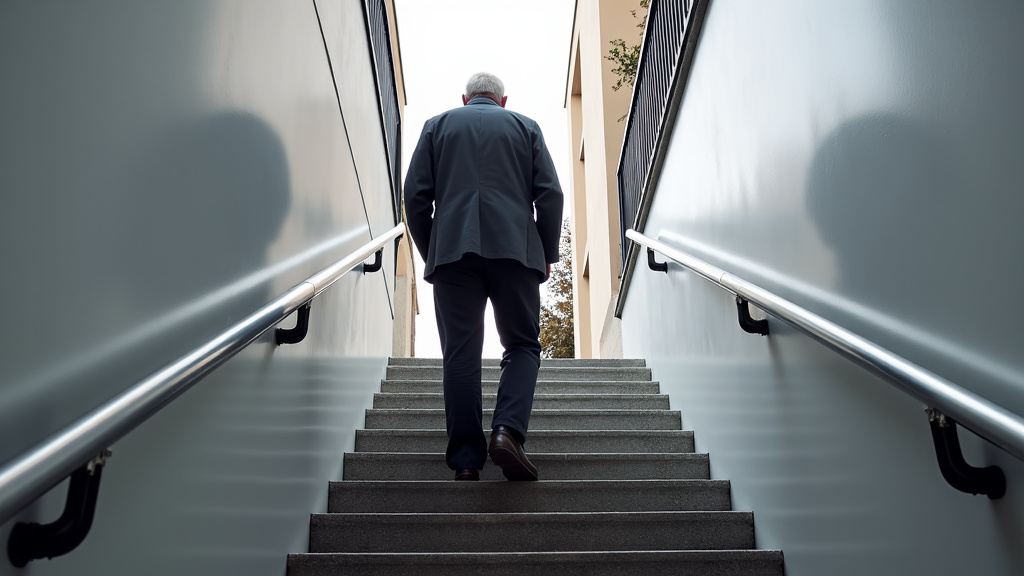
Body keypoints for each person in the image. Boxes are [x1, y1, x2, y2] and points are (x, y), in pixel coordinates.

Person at [404, 72, 564, 481]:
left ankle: (465, 461)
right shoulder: (526, 127)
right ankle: (507, 432)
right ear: (503, 100)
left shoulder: (436, 127)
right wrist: (544, 252)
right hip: (515, 250)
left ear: (464, 98)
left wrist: (434, 249)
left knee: (460, 351)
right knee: (523, 345)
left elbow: (415, 195)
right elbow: (550, 194)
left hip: (453, 254)